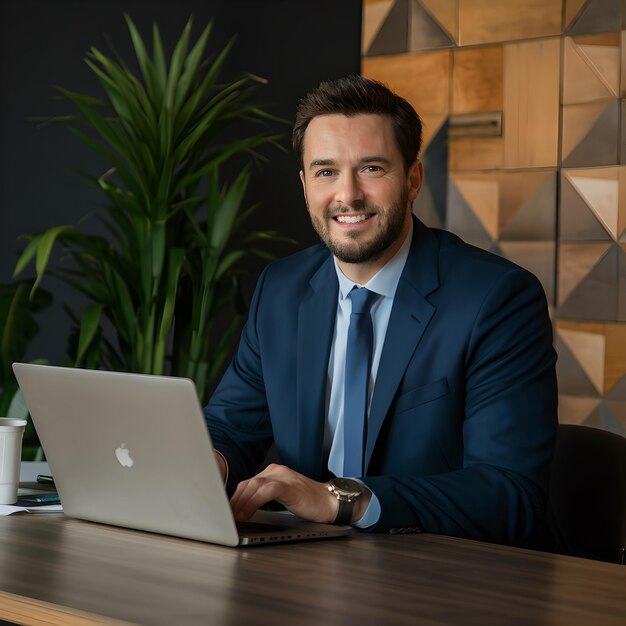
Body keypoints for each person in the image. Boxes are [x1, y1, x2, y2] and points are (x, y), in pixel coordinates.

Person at [203, 74, 558, 544]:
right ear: (305, 184)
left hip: (445, 577)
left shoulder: (497, 299)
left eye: (371, 168)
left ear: (413, 179)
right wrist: (207, 461)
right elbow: (230, 424)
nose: (347, 195)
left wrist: (342, 500)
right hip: (302, 570)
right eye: (326, 172)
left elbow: (511, 495)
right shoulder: (282, 290)